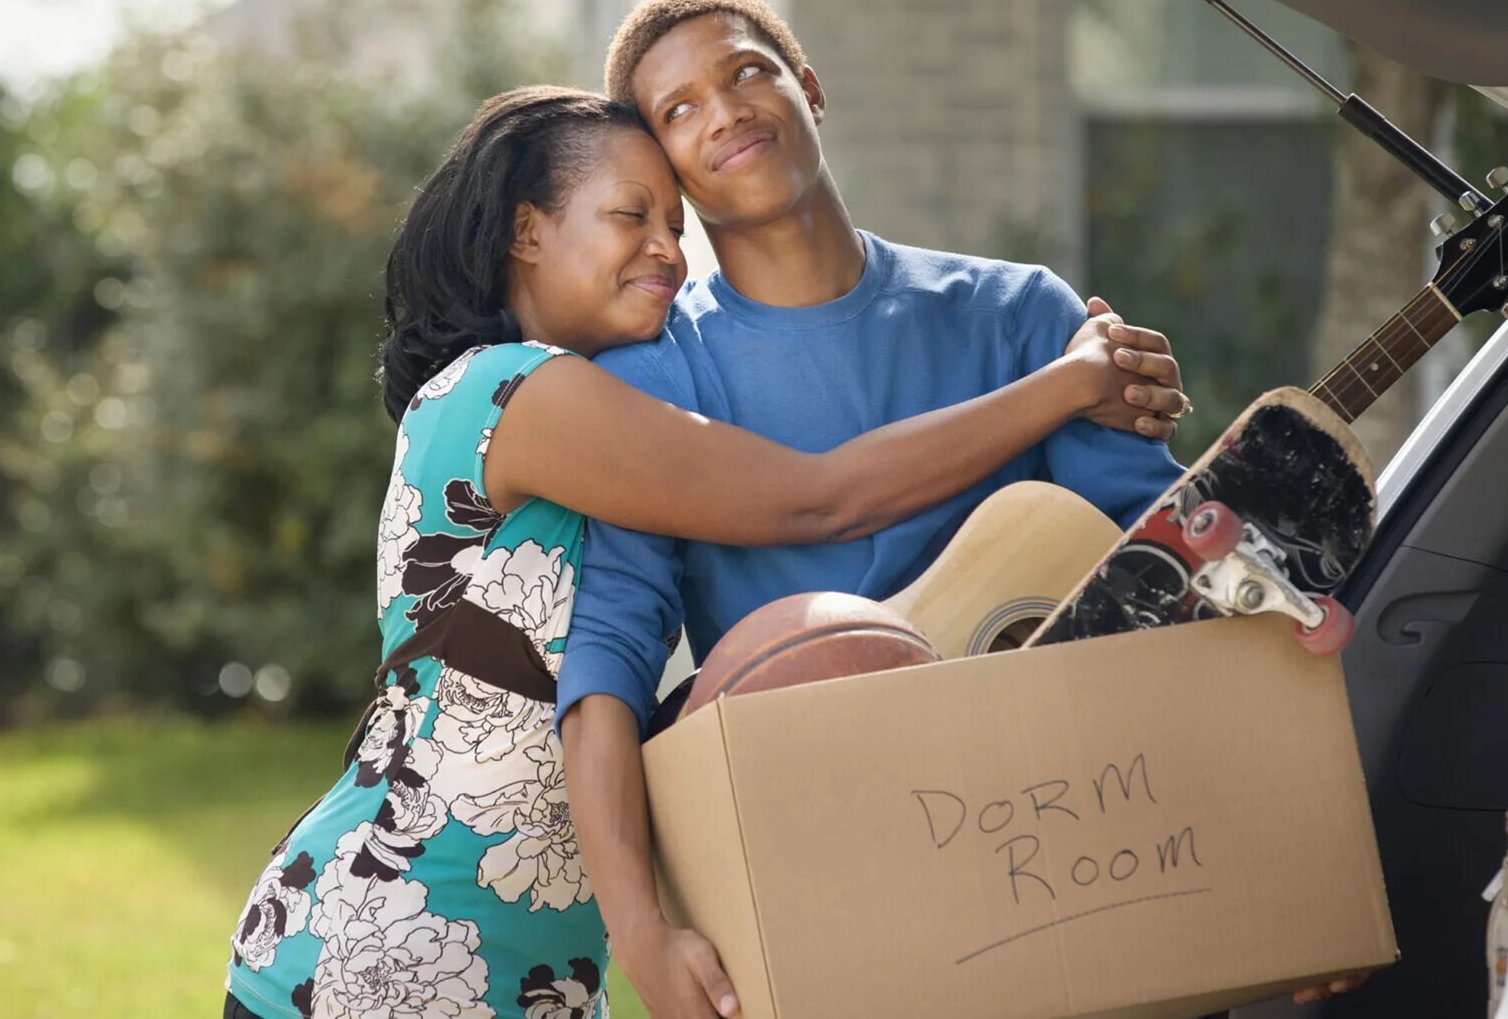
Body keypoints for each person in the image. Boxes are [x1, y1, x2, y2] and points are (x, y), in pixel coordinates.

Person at [221, 85, 1186, 1019]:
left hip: (530, 963)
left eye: (676, 228)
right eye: (630, 216)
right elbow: (819, 497)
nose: (669, 253)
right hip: (389, 948)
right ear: (528, 232)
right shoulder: (520, 392)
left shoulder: (556, 400)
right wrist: (1067, 382)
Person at [558, 0, 1363, 1019]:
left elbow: (1174, 587)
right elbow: (609, 663)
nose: (723, 110)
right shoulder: (658, 379)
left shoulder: (1022, 314)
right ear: (665, 171)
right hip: (834, 867)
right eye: (677, 110)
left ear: (808, 86)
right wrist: (640, 932)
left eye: (747, 71)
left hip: (1079, 842)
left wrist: (1300, 862)